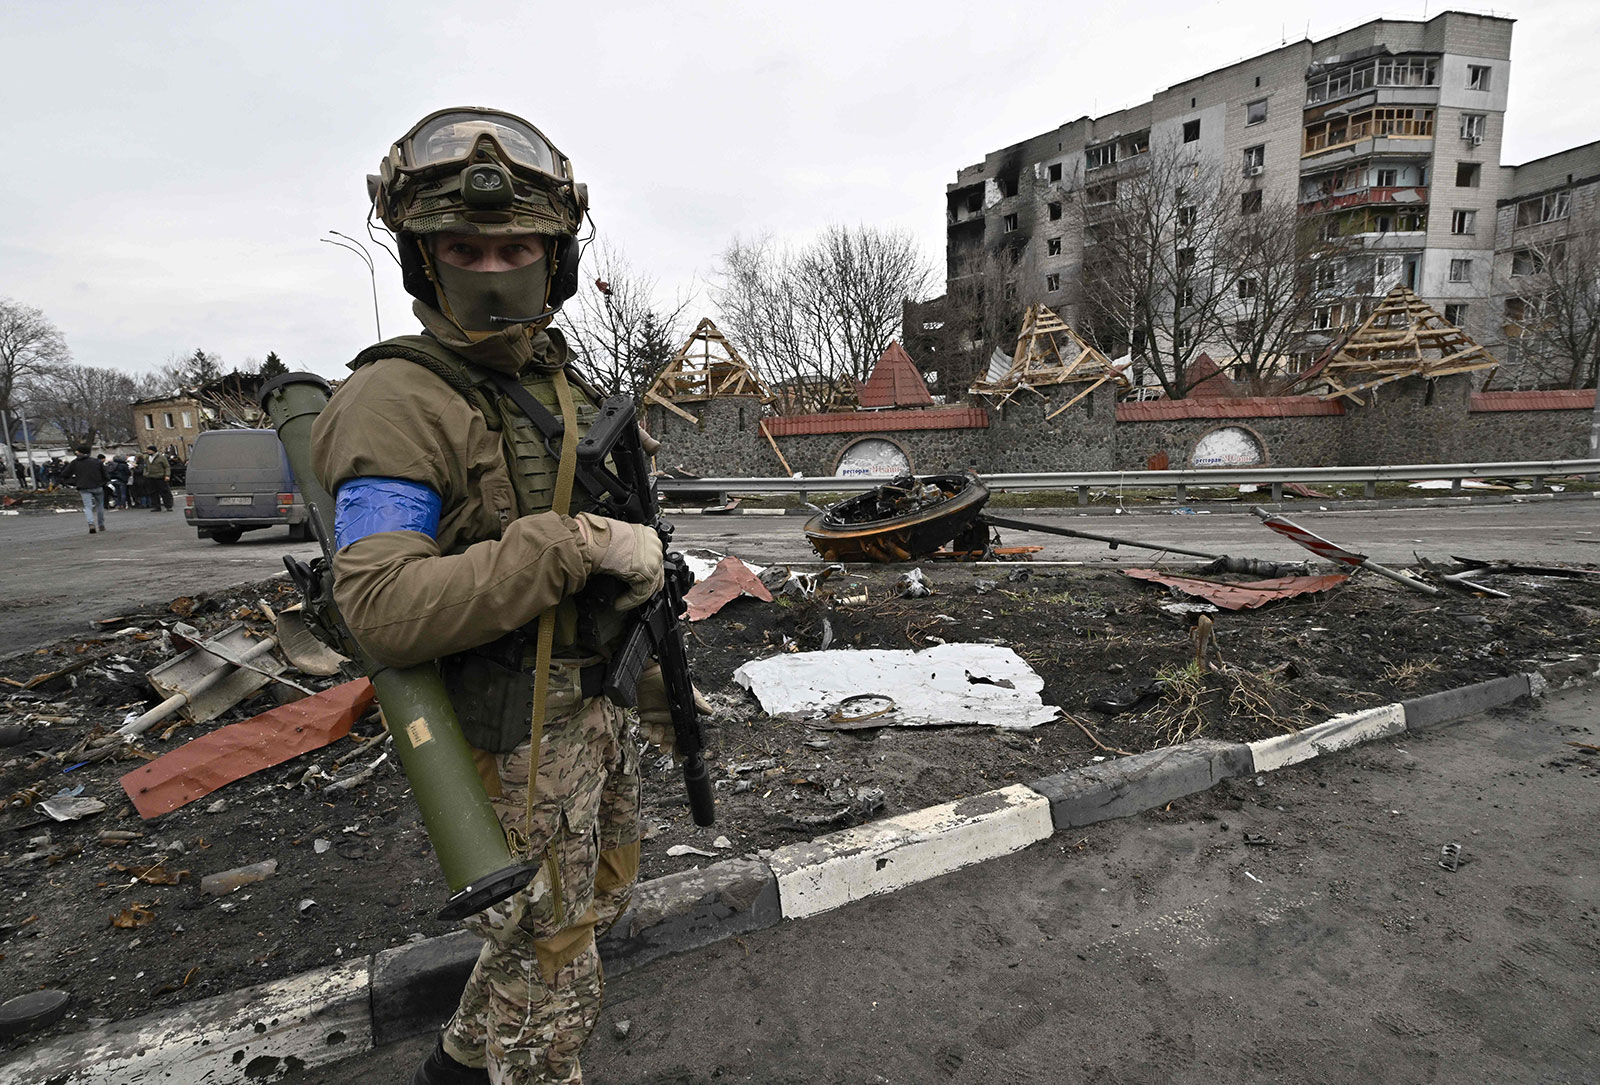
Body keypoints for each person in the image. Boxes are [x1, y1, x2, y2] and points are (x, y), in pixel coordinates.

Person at [311, 107, 674, 1085]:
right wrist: (573, 543)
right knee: (555, 959)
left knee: (593, 901)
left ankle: (458, 1067)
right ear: (424, 259)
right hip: (507, 735)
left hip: (591, 711)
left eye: (516, 244)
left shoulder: (561, 384)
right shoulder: (396, 401)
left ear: (554, 259)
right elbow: (381, 606)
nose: (491, 264)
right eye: (464, 246)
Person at [67, 446, 108, 534]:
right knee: (100, 505)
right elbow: (105, 474)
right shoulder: (97, 462)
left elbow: (65, 474)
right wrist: (103, 482)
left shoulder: (75, 463)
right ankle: (101, 524)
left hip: (84, 487)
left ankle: (91, 524)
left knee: (88, 506)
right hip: (97, 486)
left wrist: (74, 482)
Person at [145, 446, 173, 511]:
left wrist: (167, 475)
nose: (148, 452)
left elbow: (167, 466)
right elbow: (145, 466)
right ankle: (156, 506)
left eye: (149, 450)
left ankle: (168, 506)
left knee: (164, 492)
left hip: (160, 477)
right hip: (151, 477)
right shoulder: (147, 458)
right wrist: (145, 474)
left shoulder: (161, 457)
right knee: (153, 492)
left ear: (153, 450)